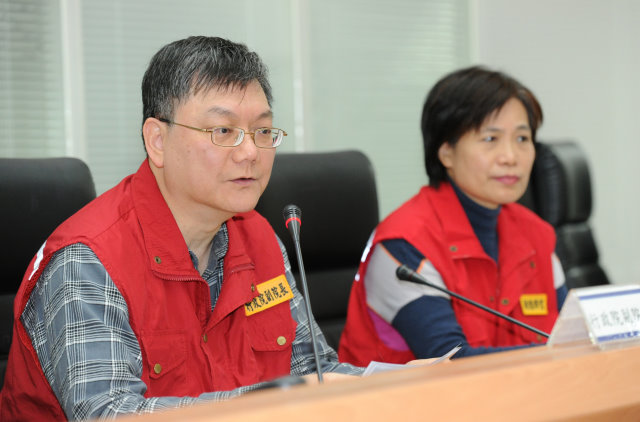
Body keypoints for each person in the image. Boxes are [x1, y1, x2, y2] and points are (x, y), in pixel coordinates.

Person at [0, 36, 362, 421]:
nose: (250, 153)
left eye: (262, 131)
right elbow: (111, 414)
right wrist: (276, 400)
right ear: (157, 140)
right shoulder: (89, 261)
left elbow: (317, 372)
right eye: (223, 131)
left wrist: (405, 379)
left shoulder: (260, 237)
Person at [338, 66, 568, 367]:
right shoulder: (404, 245)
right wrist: (562, 354)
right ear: (446, 152)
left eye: (522, 139)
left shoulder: (536, 235)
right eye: (490, 139)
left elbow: (570, 334)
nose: (511, 157)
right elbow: (451, 362)